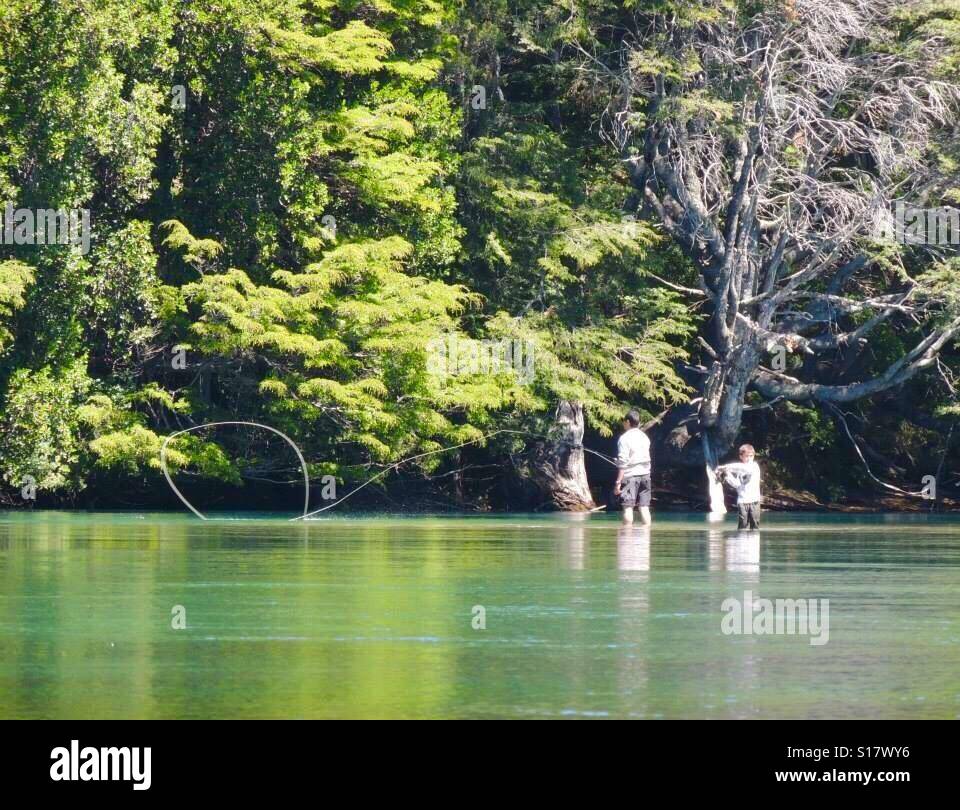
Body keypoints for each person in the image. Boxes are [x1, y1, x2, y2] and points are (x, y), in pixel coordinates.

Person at [613, 409, 652, 524]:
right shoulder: (644, 437)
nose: (623, 424)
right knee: (644, 507)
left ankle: (626, 536)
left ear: (628, 422)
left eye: (624, 422)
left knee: (628, 507)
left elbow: (624, 463)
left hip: (631, 477)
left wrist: (618, 483)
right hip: (645, 475)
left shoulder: (624, 439)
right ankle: (646, 535)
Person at [717, 444, 762, 530]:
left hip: (754, 501)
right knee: (742, 526)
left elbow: (743, 468)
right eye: (746, 456)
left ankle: (754, 543)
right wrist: (726, 475)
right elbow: (736, 485)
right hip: (742, 501)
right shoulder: (739, 471)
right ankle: (741, 542)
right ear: (741, 456)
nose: (749, 458)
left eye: (751, 456)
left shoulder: (754, 466)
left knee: (755, 526)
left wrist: (725, 467)